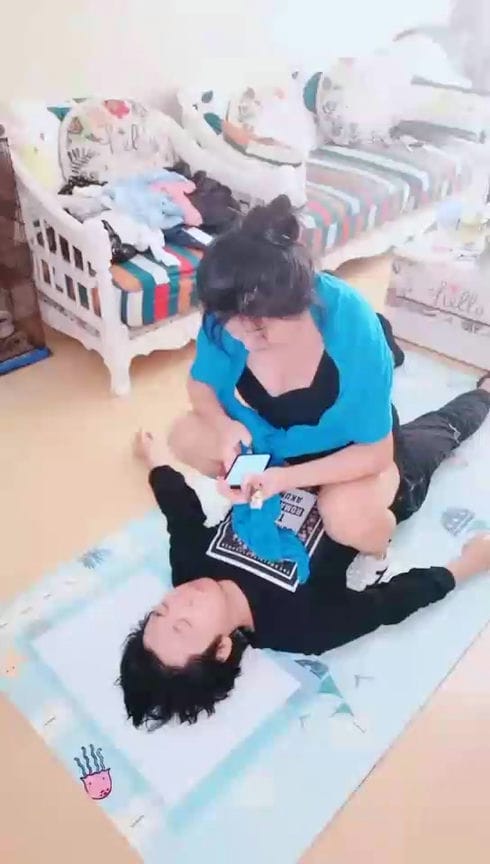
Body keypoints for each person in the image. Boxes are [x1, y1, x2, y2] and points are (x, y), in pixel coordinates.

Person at [119, 377, 490, 730]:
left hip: (294, 459)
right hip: (370, 485)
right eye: (184, 624)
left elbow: (179, 510)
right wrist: (468, 564)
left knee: (191, 434)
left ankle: (361, 366)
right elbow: (388, 603)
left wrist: (154, 461)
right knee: (431, 437)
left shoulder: (189, 569)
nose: (179, 602)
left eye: (162, 610)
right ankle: (480, 396)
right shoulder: (299, 626)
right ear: (221, 649)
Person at [169, 195, 403, 582]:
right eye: (234, 326)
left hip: (348, 453)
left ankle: (378, 551)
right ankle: (279, 491)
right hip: (273, 450)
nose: (246, 339)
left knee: (346, 517)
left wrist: (284, 480)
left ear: (302, 303)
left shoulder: (352, 325)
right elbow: (201, 385)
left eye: (261, 329)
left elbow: (376, 452)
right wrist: (225, 427)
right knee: (185, 435)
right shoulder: (226, 315)